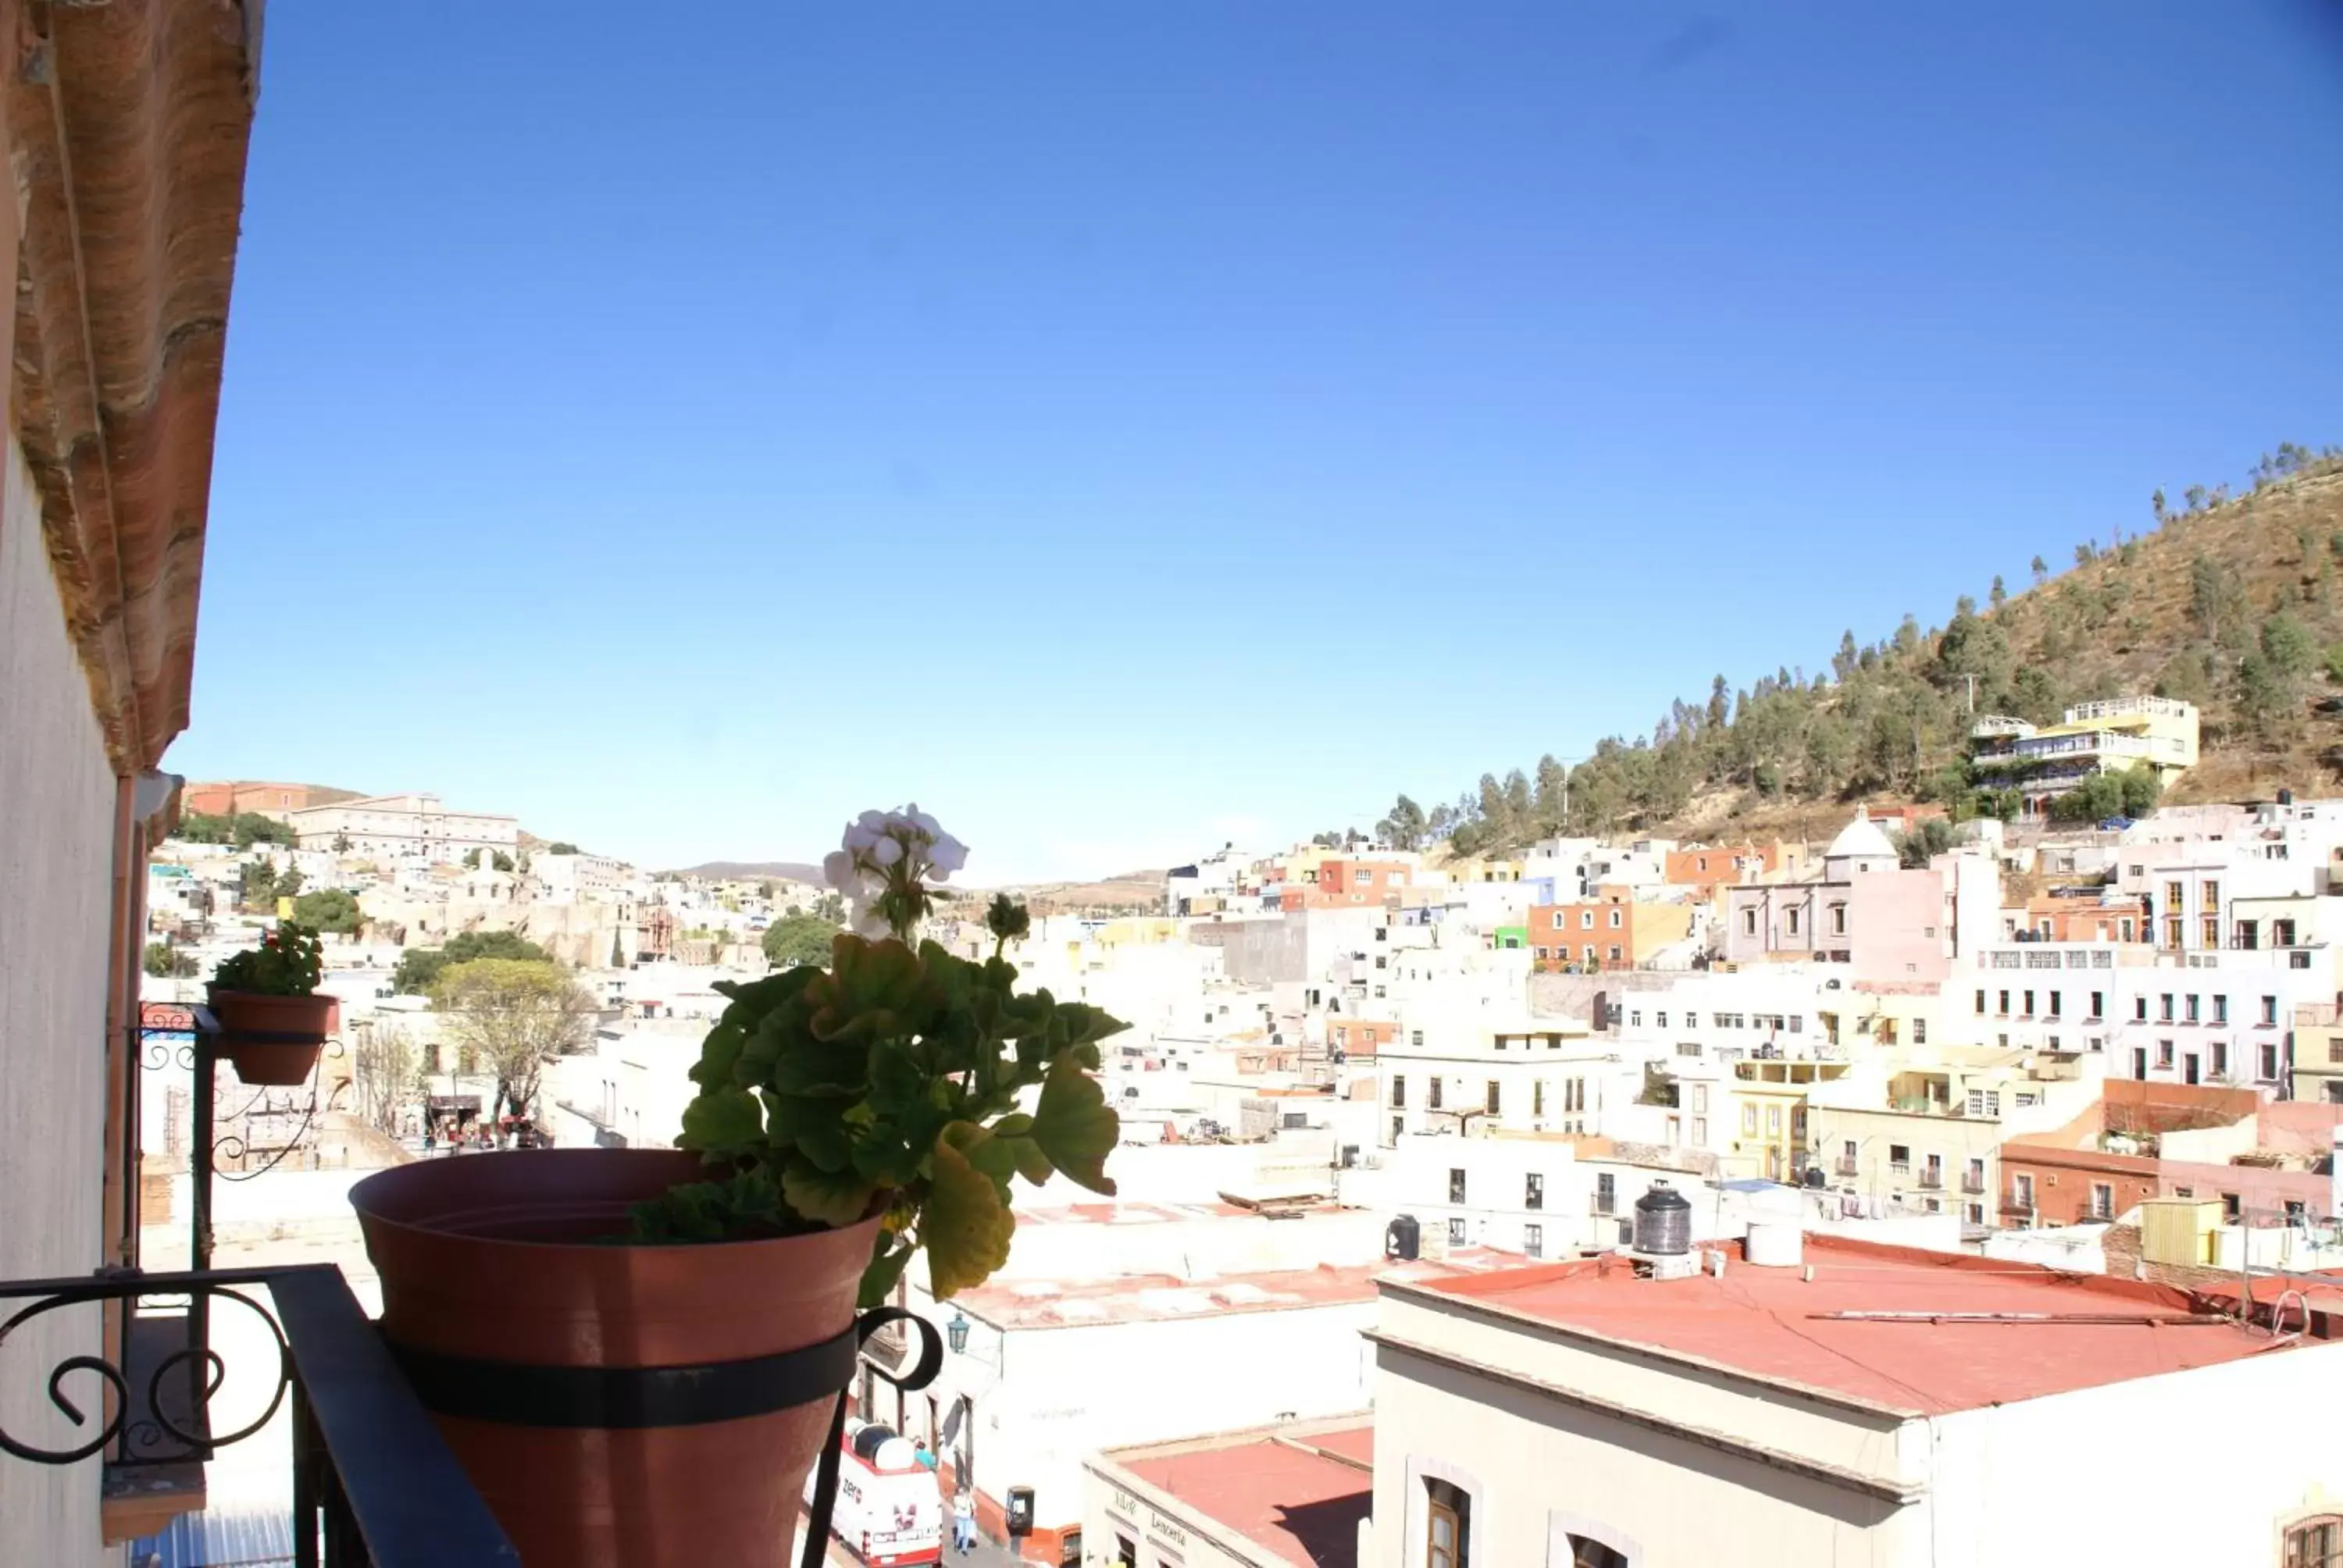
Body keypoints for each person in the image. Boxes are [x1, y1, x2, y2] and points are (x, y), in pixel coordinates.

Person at [950, 1488, 975, 1555]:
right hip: (960, 1517)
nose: (962, 1493)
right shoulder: (957, 1499)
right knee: (961, 1533)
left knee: (966, 1534)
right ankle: (957, 1545)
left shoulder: (969, 1498)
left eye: (963, 1491)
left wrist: (973, 1513)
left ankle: (964, 1549)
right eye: (960, 1491)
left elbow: (974, 1506)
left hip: (967, 1518)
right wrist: (966, 1499)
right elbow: (964, 1506)